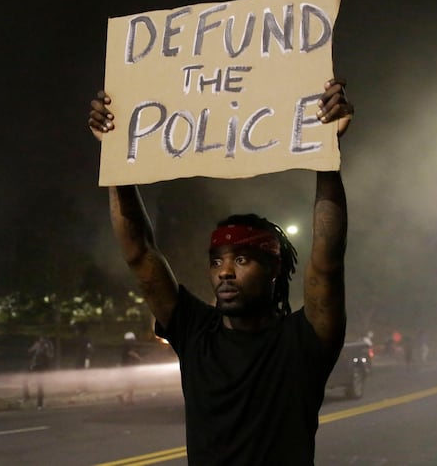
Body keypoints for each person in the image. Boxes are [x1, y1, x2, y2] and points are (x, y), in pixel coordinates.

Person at [88, 78, 353, 465]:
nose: (224, 272)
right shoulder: (196, 333)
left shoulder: (303, 341)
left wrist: (328, 151)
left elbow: (327, 262)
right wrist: (114, 152)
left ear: (273, 270)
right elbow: (140, 252)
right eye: (217, 261)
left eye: (242, 260)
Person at [24, 335, 54, 409]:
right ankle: (27, 397)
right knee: (25, 380)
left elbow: (50, 355)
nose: (41, 339)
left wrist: (45, 350)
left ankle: (39, 404)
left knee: (40, 386)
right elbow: (30, 351)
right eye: (40, 338)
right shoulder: (38, 344)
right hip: (35, 366)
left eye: (42, 338)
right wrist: (34, 348)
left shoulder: (48, 345)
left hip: (42, 368)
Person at [118, 331, 142, 405]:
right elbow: (131, 353)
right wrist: (139, 357)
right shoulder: (128, 345)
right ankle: (124, 396)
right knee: (131, 383)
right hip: (128, 367)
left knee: (131, 383)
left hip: (126, 366)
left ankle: (130, 399)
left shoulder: (125, 345)